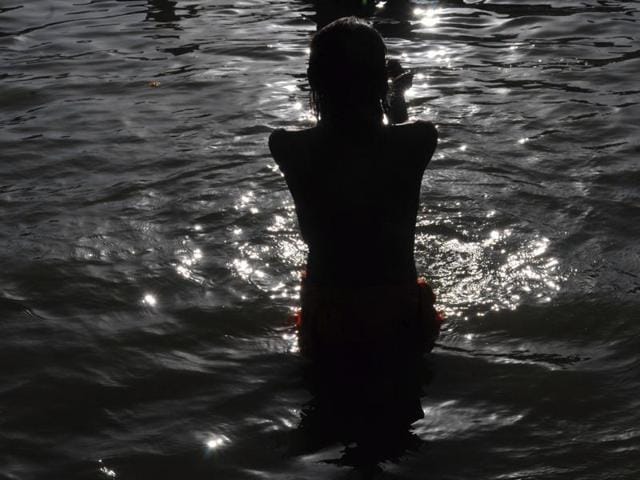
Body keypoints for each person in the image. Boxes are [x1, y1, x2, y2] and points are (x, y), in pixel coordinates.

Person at [269, 17, 441, 426]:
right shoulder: (420, 141)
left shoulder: (287, 146)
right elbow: (395, 131)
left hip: (329, 318)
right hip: (397, 315)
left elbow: (335, 136)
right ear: (381, 81)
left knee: (327, 414)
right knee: (402, 418)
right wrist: (396, 95)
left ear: (314, 81)